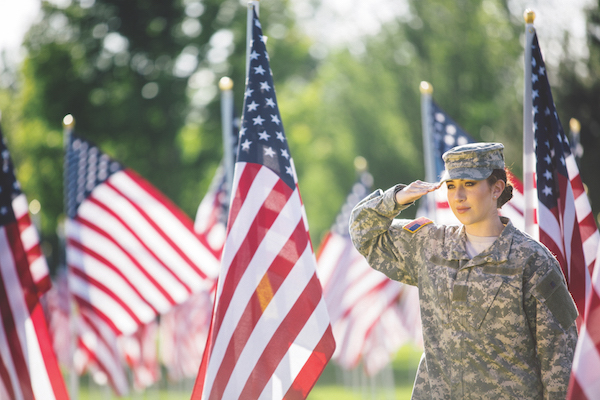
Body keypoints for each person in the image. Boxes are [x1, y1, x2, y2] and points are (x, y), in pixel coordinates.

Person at [349, 142, 578, 399]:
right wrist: (396, 198)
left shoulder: (532, 260)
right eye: (450, 185)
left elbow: (559, 356)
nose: (458, 196)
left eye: (469, 184)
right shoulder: (429, 245)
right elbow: (363, 233)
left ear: (497, 189)